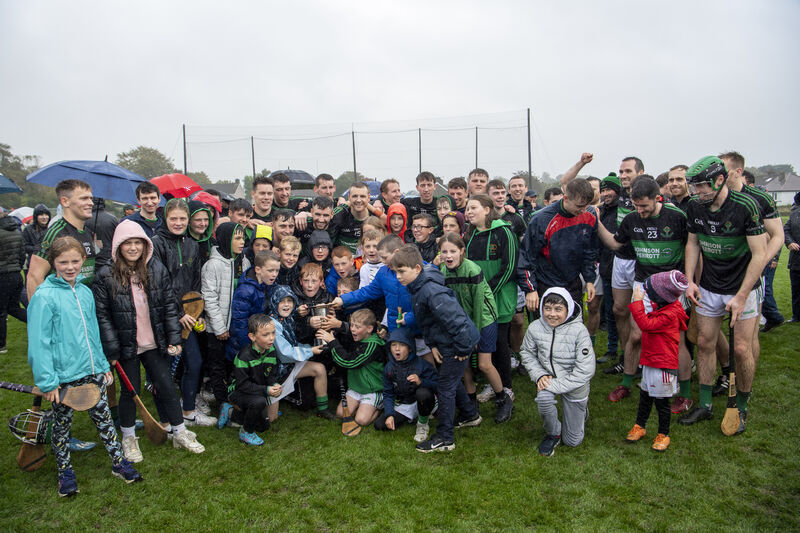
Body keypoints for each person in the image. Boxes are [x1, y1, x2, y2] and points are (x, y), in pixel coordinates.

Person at [27, 236, 142, 496]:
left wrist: (101, 366)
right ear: (53, 263)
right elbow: (39, 343)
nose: (70, 267)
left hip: (91, 373)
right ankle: (65, 472)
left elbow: (93, 333)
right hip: (63, 378)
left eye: (75, 261)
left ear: (83, 261)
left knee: (104, 421)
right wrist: (47, 381)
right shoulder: (44, 297)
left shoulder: (85, 292)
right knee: (61, 427)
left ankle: (118, 462)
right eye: (63, 262)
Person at [94, 221, 206, 460]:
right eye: (128, 243)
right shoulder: (106, 274)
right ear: (118, 246)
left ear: (145, 245)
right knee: (129, 391)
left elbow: (169, 305)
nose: (133, 248)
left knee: (166, 385)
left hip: (154, 343)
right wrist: (112, 350)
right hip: (127, 346)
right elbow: (102, 316)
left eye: (138, 243)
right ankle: (128, 437)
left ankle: (179, 431)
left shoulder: (155, 268)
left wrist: (174, 338)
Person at [680, 156, 767, 434]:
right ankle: (705, 404)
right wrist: (691, 280)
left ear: (720, 180)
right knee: (705, 342)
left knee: (741, 350)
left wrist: (741, 295)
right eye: (694, 187)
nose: (697, 193)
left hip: (742, 288)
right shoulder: (695, 206)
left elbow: (760, 254)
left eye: (702, 186)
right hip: (709, 286)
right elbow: (693, 242)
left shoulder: (746, 206)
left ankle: (741, 405)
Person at [595, 176, 689, 404]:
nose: (640, 211)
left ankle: (685, 394)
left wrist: (691, 281)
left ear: (658, 198)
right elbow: (617, 244)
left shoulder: (677, 217)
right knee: (636, 335)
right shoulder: (631, 219)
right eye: (636, 206)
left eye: (644, 206)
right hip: (643, 283)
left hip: (671, 285)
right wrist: (595, 222)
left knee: (676, 338)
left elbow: (693, 246)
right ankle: (627, 383)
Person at [390, 244, 481, 453]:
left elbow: (456, 321)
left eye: (402, 271)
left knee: (445, 388)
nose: (398, 277)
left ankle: (445, 438)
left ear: (417, 269)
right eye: (396, 272)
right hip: (446, 342)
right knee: (449, 380)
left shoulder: (431, 292)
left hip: (458, 343)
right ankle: (470, 415)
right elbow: (429, 322)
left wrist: (460, 349)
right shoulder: (418, 286)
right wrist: (433, 345)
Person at [150, 199, 215, 427]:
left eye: (182, 219)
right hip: (165, 319)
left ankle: (188, 412)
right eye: (173, 218)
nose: (178, 223)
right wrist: (178, 312)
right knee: (164, 372)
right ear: (165, 219)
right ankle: (165, 420)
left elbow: (195, 281)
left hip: (189, 317)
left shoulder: (191, 245)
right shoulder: (155, 244)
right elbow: (158, 285)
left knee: (194, 363)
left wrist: (195, 310)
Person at [438, 233, 511, 423]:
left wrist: (476, 335)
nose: (448, 255)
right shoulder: (444, 271)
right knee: (463, 361)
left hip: (483, 320)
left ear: (462, 251)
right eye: (444, 252)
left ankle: (503, 398)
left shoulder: (472, 269)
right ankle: (471, 401)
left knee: (484, 364)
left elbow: (479, 304)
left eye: (453, 251)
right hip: (463, 322)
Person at [520, 288, 595, 457]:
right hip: (549, 379)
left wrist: (553, 384)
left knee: (573, 442)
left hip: (575, 385)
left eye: (558, 309)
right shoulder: (535, 327)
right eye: (547, 308)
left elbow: (585, 371)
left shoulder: (579, 331)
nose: (552, 314)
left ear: (567, 309)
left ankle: (581, 411)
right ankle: (554, 433)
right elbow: (526, 353)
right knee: (543, 398)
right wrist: (539, 375)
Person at [463, 195, 519, 404]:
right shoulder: (471, 235)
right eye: (467, 209)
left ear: (487, 209)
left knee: (500, 342)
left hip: (499, 297)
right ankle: (492, 383)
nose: (468, 212)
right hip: (479, 299)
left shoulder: (503, 231)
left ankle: (507, 387)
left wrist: (487, 291)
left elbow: (510, 266)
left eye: (473, 207)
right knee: (487, 343)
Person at [625, 270, 689, 452]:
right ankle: (640, 426)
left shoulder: (670, 314)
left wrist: (637, 302)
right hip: (650, 360)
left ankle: (664, 434)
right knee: (645, 397)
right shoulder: (664, 306)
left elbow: (646, 325)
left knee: (662, 403)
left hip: (662, 365)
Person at [518, 179, 597, 313]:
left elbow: (589, 251)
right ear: (565, 198)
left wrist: (589, 279)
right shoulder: (541, 219)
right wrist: (531, 289)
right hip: (546, 282)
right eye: (579, 206)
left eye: (586, 205)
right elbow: (527, 256)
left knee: (573, 325)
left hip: (573, 282)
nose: (583, 210)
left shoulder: (589, 217)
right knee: (547, 328)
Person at [202, 222, 249, 408]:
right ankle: (221, 402)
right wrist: (220, 327)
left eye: (243, 238)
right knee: (217, 366)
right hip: (217, 327)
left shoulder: (244, 261)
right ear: (225, 239)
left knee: (233, 364)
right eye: (237, 238)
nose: (242, 242)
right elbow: (209, 299)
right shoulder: (212, 265)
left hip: (236, 324)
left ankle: (233, 398)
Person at [316, 309, 386, 429]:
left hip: (372, 390)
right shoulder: (358, 337)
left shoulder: (372, 346)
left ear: (369, 329)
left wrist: (332, 342)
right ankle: (363, 406)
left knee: (361, 420)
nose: (353, 329)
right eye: (352, 325)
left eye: (357, 326)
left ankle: (380, 406)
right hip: (356, 388)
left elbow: (349, 362)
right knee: (340, 414)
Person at [27, 179, 98, 296]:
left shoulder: (88, 232)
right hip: (61, 307)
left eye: (91, 198)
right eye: (84, 198)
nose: (91, 203)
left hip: (83, 304)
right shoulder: (55, 234)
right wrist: (40, 312)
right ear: (65, 202)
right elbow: (34, 277)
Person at [374, 327, 438, 443]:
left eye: (402, 345)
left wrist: (421, 382)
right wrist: (389, 414)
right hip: (405, 404)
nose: (397, 349)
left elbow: (438, 385)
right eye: (393, 345)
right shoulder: (389, 367)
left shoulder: (422, 365)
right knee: (380, 425)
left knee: (423, 393)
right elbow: (388, 392)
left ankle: (423, 424)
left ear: (410, 348)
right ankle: (413, 416)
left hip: (425, 399)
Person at [225, 314, 281, 445]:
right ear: (252, 337)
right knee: (259, 402)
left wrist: (274, 384)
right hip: (237, 391)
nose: (271, 338)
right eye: (265, 335)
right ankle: (246, 432)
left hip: (255, 389)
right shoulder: (244, 356)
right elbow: (242, 385)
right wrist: (266, 390)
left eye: (273, 333)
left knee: (264, 426)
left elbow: (270, 374)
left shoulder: (271, 351)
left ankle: (230, 413)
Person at [228, 250, 281, 361]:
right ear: (258, 269)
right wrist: (249, 349)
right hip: (243, 348)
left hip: (261, 343)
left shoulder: (268, 284)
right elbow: (239, 324)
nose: (274, 274)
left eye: (277, 270)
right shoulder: (245, 291)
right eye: (270, 270)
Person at [595, 175, 621, 364]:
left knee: (624, 312)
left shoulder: (623, 211)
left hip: (622, 268)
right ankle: (612, 348)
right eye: (603, 190)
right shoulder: (601, 210)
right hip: (605, 267)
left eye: (609, 190)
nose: (605, 194)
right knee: (612, 312)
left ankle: (627, 352)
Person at [0, 208, 26, 352]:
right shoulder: (16, 231)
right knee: (13, 308)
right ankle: (38, 323)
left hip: (3, 274)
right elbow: (22, 254)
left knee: (2, 310)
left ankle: (1, 345)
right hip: (16, 273)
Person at [329, 182, 371, 254]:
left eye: (362, 196)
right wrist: (304, 214)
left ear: (368, 198)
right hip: (344, 262)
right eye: (354, 196)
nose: (358, 200)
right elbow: (322, 218)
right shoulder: (341, 214)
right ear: (349, 197)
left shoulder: (375, 216)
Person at [22, 203, 51, 269]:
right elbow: (24, 246)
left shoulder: (51, 228)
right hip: (33, 263)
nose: (44, 217)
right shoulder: (28, 229)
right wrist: (38, 249)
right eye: (41, 215)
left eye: (46, 214)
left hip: (49, 263)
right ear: (36, 216)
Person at [187, 200, 216, 266]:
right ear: (188, 221)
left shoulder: (212, 242)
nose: (203, 224)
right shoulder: (182, 242)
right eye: (198, 220)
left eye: (206, 219)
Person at [785, 192, 800, 323]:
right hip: (797, 258)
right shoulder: (795, 213)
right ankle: (796, 316)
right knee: (796, 288)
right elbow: (786, 230)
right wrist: (789, 242)